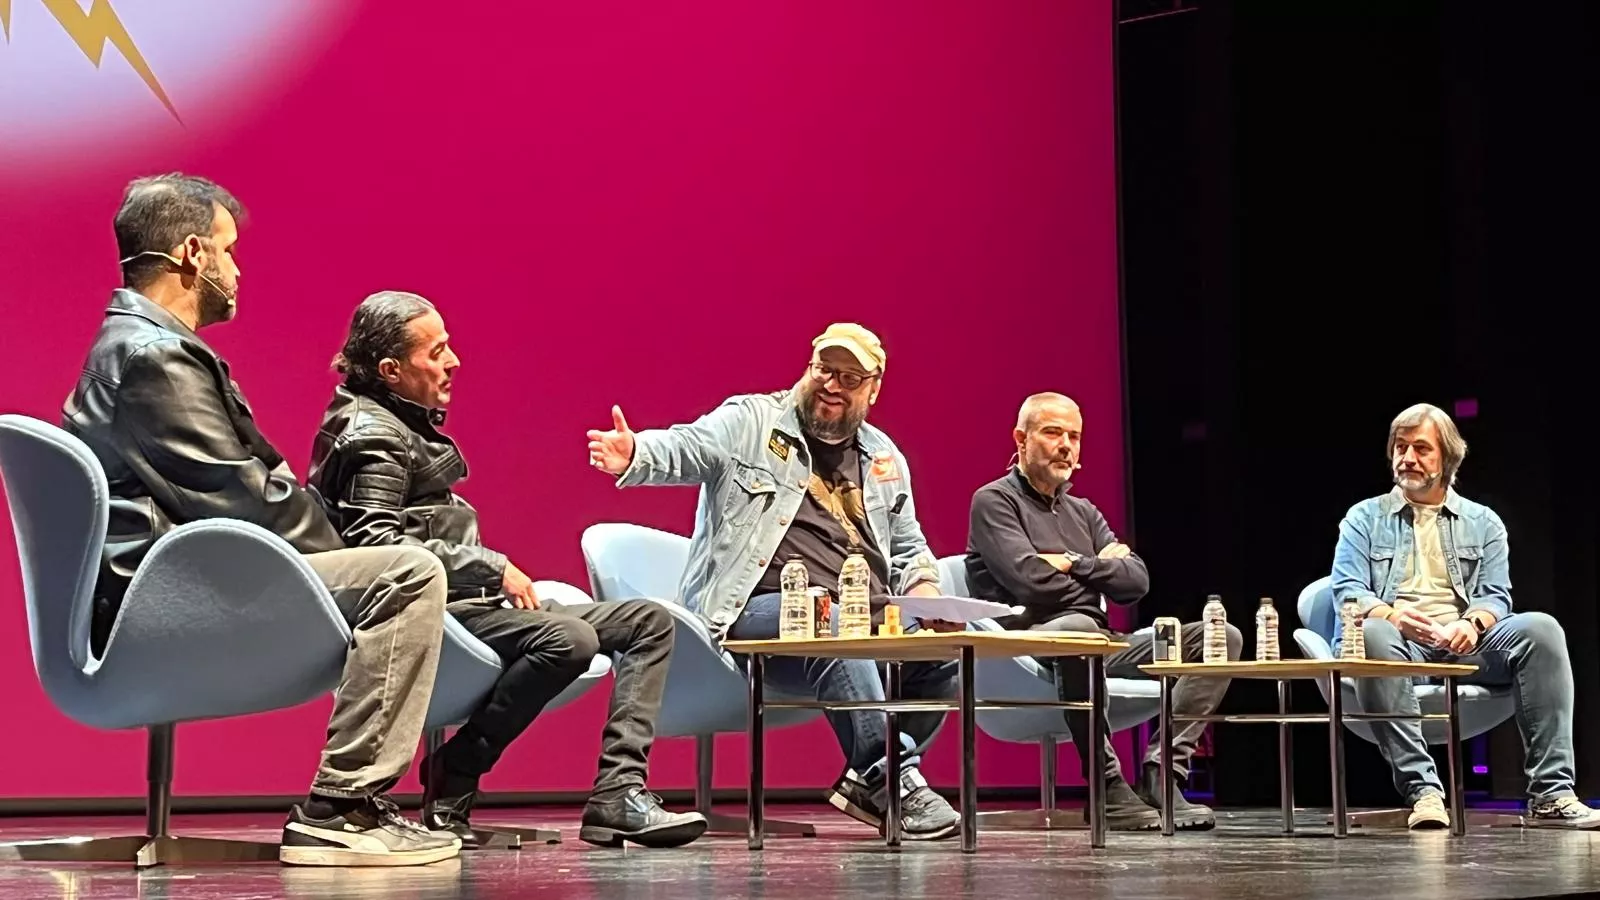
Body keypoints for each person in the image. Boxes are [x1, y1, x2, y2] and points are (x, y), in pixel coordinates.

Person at [61, 174, 458, 867]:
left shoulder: (142, 344)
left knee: (398, 566)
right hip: (161, 602)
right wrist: (345, 547)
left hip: (173, 580)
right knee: (406, 571)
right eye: (228, 249)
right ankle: (342, 808)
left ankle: (354, 804)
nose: (237, 268)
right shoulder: (154, 355)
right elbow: (242, 498)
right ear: (192, 255)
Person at [308, 291, 706, 850]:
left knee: (648, 623)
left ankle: (619, 794)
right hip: (434, 611)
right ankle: (461, 768)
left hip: (468, 602)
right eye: (437, 351)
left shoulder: (398, 420)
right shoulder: (373, 434)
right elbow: (378, 550)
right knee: (569, 637)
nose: (454, 362)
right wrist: (492, 567)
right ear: (390, 370)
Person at [586, 323, 962, 840]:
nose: (832, 384)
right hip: (757, 613)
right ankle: (889, 779)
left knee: (943, 655)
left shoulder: (884, 459)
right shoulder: (751, 422)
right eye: (824, 370)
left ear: (873, 390)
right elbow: (687, 446)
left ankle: (866, 779)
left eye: (850, 377)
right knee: (822, 613)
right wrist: (635, 454)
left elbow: (911, 546)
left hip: (862, 616)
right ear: (808, 368)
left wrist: (923, 591)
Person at [964, 392, 1239, 831]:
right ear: (1021, 439)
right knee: (1077, 628)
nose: (1066, 445)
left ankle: (1162, 773)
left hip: (1100, 640)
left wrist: (1074, 561)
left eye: (1074, 436)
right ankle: (1106, 784)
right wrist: (1099, 568)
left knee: (1221, 635)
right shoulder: (994, 502)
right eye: (1053, 433)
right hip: (1027, 644)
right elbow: (1029, 581)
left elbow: (1136, 582)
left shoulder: (1084, 512)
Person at [1331, 403, 1600, 829]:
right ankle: (1424, 792)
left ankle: (1551, 794)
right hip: (1398, 646)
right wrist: (1394, 616)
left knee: (1542, 629)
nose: (1407, 458)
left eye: (1421, 449)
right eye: (1400, 447)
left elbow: (1495, 596)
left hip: (1464, 645)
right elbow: (1347, 592)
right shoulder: (1364, 518)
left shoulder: (1483, 522)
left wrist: (1471, 623)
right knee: (1375, 631)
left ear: (1448, 459)